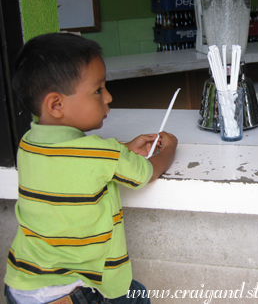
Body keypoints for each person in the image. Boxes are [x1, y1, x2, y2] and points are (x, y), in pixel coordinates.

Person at [4, 33, 178, 303]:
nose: (108, 97)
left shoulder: (28, 144)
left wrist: (124, 148)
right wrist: (169, 148)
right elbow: (146, 173)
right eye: (98, 90)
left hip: (23, 283)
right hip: (71, 292)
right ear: (56, 104)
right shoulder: (100, 153)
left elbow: (76, 161)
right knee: (137, 296)